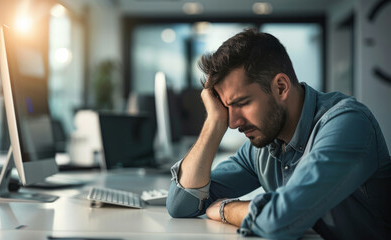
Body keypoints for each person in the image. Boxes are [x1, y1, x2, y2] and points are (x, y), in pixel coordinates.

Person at [166, 28, 391, 240]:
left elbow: (280, 221)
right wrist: (214, 123)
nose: (233, 123)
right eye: (227, 109)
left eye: (242, 103)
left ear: (281, 87)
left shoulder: (348, 124)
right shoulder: (264, 144)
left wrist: (227, 209)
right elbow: (182, 204)